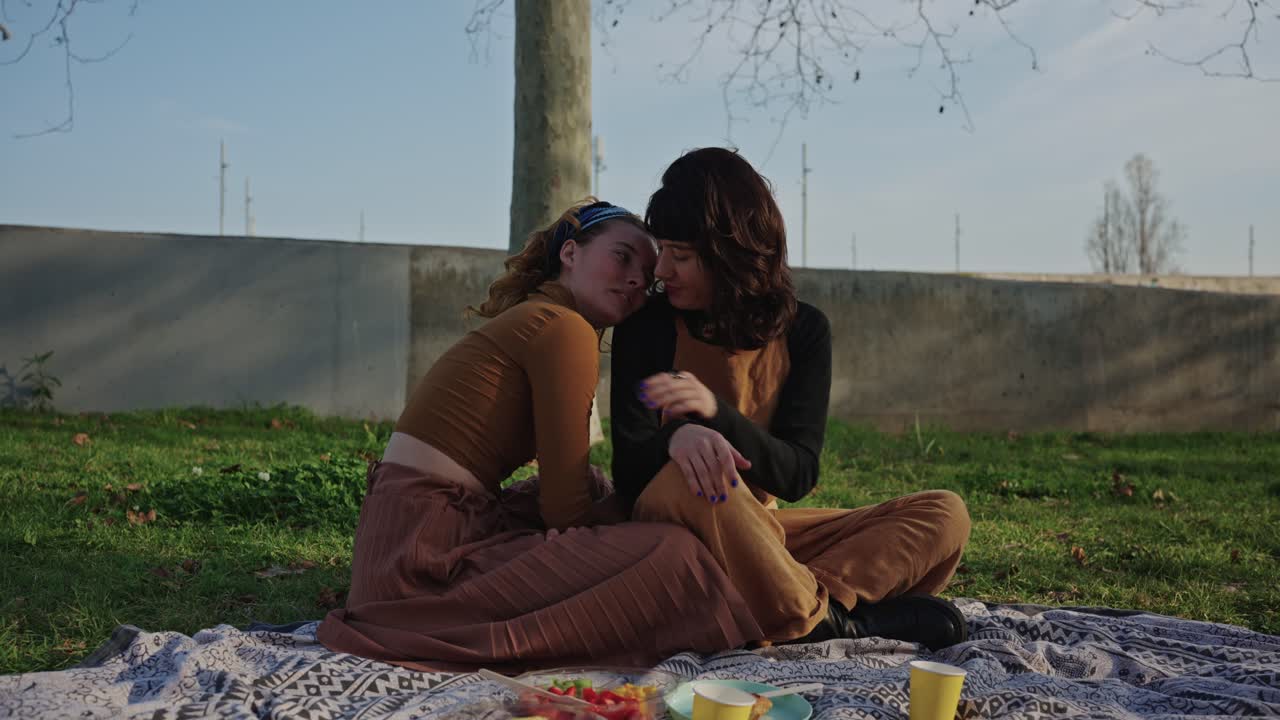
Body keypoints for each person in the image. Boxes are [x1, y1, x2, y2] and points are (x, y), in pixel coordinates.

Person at [318, 200, 763, 673]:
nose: (636, 279)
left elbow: (571, 491)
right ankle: (755, 606)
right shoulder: (563, 329)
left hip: (401, 542)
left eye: (647, 274)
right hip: (421, 564)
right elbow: (564, 510)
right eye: (622, 256)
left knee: (600, 487)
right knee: (673, 553)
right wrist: (657, 510)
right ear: (570, 253)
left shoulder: (545, 318)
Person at [610, 149, 972, 650]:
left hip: (764, 533)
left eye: (683, 256)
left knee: (944, 512)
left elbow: (797, 475)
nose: (662, 269)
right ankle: (827, 624)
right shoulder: (646, 327)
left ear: (729, 257)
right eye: (663, 249)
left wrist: (714, 414)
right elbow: (629, 475)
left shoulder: (804, 331)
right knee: (695, 481)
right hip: (682, 529)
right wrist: (678, 436)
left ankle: (796, 603)